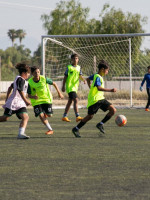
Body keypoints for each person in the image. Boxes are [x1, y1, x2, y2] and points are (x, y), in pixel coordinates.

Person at [72, 60, 117, 137]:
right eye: (107, 70)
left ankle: (100, 124)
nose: (107, 72)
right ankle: (76, 128)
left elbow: (88, 79)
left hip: (100, 99)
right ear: (102, 69)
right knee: (90, 116)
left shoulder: (96, 75)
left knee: (113, 110)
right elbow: (99, 88)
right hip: (94, 100)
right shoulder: (98, 77)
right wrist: (111, 90)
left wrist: (90, 87)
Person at [28, 66, 64, 135]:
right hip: (36, 101)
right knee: (40, 115)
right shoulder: (29, 82)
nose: (37, 74)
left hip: (46, 99)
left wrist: (59, 93)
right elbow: (29, 95)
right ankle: (50, 129)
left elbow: (54, 83)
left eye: (38, 72)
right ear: (32, 74)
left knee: (49, 115)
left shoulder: (44, 78)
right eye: (35, 73)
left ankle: (45, 113)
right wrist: (33, 96)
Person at [0, 63, 31, 139]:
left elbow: (10, 88)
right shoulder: (20, 79)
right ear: (24, 73)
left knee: (25, 117)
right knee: (5, 118)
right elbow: (20, 91)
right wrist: (26, 100)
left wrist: (7, 98)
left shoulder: (19, 79)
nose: (29, 75)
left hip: (20, 104)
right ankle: (21, 133)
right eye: (28, 73)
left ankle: (21, 134)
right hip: (14, 103)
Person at [62, 53, 86, 122]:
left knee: (70, 101)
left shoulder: (79, 67)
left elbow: (80, 76)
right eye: (74, 58)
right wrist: (63, 86)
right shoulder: (69, 67)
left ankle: (64, 116)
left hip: (75, 87)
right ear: (71, 60)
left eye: (76, 58)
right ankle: (77, 116)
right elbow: (65, 77)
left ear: (78, 60)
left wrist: (83, 80)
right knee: (76, 100)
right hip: (70, 87)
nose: (75, 60)